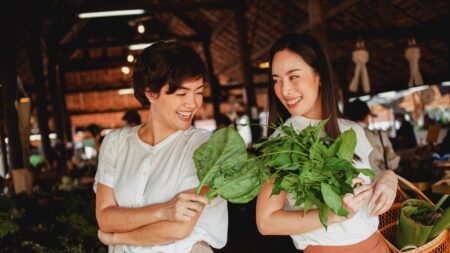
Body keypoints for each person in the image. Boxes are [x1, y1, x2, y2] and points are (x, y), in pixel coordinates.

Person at [255, 34, 398, 253]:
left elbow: (368, 185)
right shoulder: (284, 141)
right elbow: (266, 222)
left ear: (319, 76)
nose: (284, 90)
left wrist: (388, 177)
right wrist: (334, 213)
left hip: (378, 246)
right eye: (277, 80)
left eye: (293, 77)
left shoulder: (352, 130)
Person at [94, 41, 228, 253]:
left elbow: (179, 228)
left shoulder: (203, 146)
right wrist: (162, 212)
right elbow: (105, 218)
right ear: (151, 93)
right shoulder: (115, 143)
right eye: (181, 94)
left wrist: (118, 237)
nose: (193, 103)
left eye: (198, 92)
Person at [346, 99, 401, 175]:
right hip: (379, 182)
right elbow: (393, 164)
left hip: (357, 184)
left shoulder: (343, 135)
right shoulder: (379, 135)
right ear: (367, 115)